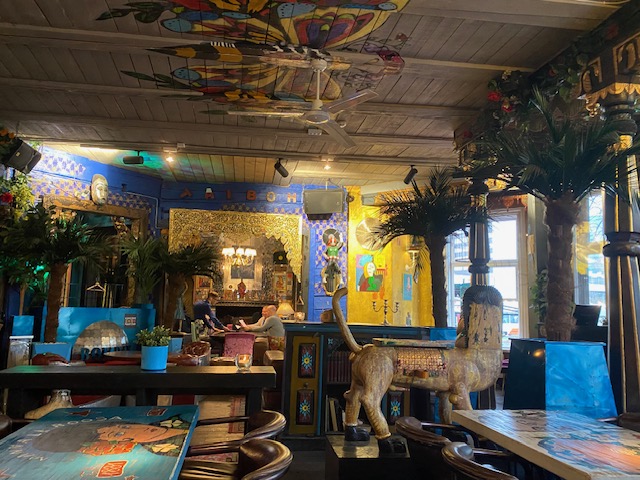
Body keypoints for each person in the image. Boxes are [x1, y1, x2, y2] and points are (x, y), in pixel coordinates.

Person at [31, 414, 190, 457]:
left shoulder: (173, 419)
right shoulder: (164, 451)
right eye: (119, 434)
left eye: (124, 426)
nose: (133, 430)